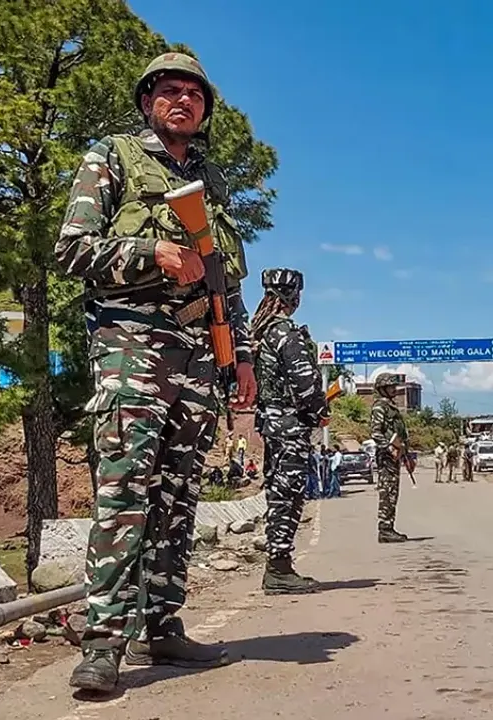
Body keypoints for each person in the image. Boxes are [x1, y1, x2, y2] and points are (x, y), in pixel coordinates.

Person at [56, 52, 257, 693]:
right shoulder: (111, 157)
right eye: (169, 91)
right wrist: (154, 254)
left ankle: (164, 628)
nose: (182, 101)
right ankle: (103, 647)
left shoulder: (211, 180)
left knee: (177, 498)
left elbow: (227, 278)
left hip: (199, 353)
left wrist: (242, 356)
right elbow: (72, 250)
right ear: (148, 103)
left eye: (194, 94)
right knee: (124, 497)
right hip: (131, 345)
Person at [250, 268, 329, 594]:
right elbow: (305, 383)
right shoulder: (286, 334)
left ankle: (279, 566)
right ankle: (279, 569)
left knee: (279, 493)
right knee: (289, 496)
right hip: (290, 427)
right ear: (293, 296)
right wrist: (320, 412)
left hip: (272, 424)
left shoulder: (260, 331)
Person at [369, 375, 412, 542]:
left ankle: (389, 527)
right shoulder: (380, 407)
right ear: (382, 388)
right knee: (387, 492)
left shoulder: (391, 407)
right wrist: (389, 448)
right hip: (387, 456)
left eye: (395, 386)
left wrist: (405, 453)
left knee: (393, 492)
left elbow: (400, 433)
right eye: (390, 386)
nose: (394, 389)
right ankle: (385, 529)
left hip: (395, 455)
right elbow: (376, 433)